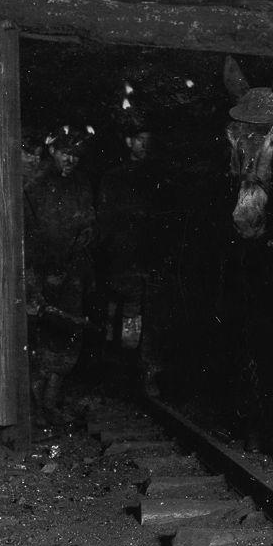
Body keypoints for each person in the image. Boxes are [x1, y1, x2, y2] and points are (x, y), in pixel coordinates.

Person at [23, 124, 96, 424]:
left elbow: (89, 222)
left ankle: (50, 402)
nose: (71, 160)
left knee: (68, 335)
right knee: (39, 336)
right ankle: (34, 405)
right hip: (39, 273)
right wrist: (35, 278)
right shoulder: (34, 186)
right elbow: (27, 233)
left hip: (71, 274)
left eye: (76, 155)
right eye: (66, 153)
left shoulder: (81, 184)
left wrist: (84, 241)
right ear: (52, 150)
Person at [96, 110, 171, 394]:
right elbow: (105, 221)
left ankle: (146, 373)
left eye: (147, 140)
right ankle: (124, 372)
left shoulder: (159, 178)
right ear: (128, 142)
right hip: (124, 260)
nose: (144, 145)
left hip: (151, 259)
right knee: (128, 318)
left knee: (154, 318)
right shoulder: (113, 178)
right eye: (139, 139)